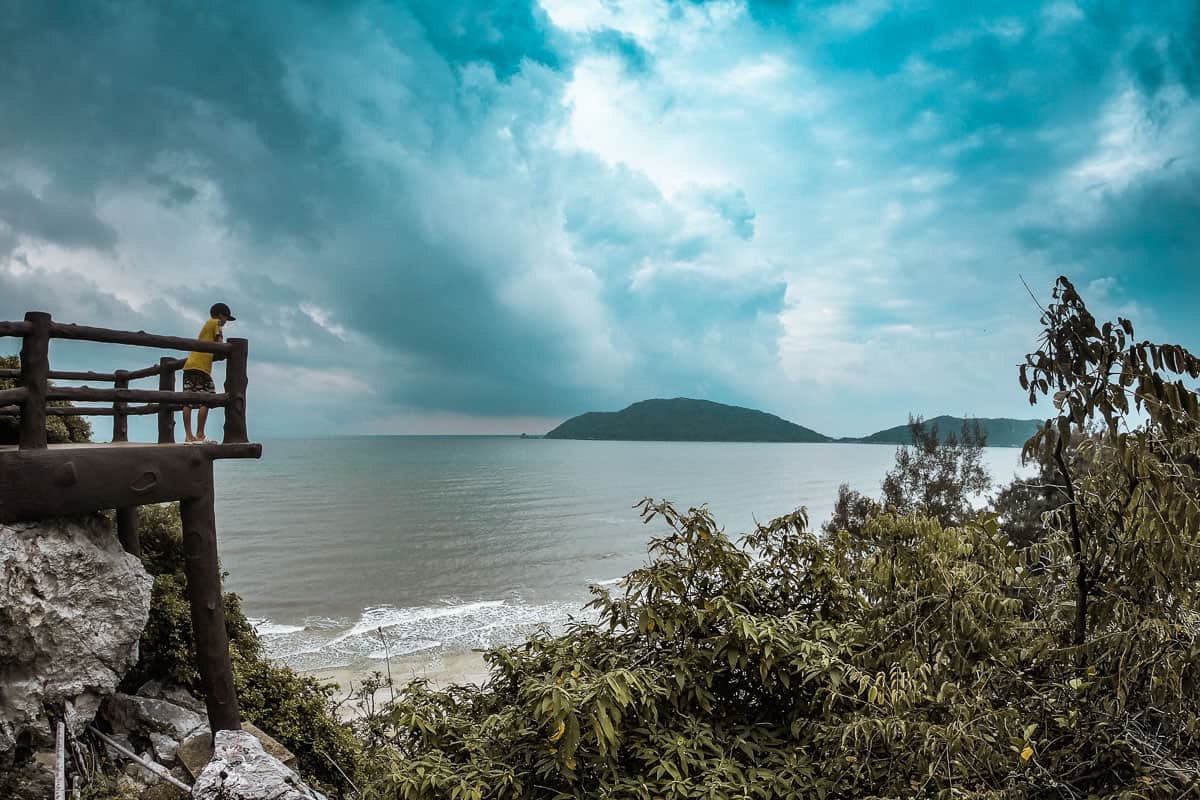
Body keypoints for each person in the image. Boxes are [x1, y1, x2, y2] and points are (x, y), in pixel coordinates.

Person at [181, 302, 236, 443]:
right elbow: (219, 343)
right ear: (221, 315)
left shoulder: (207, 325)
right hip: (201, 367)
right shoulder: (215, 323)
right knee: (208, 398)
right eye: (226, 319)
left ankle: (189, 436)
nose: (225, 322)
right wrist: (226, 349)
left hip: (190, 365)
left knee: (188, 399)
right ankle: (200, 434)